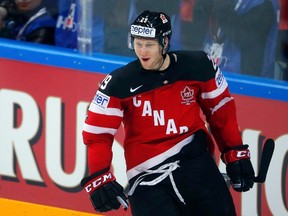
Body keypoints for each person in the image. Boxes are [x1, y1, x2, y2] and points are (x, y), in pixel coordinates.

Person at [80, 10, 255, 216]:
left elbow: (220, 111)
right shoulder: (118, 83)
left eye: (149, 45)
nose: (142, 51)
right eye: (138, 43)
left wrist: (234, 152)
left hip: (196, 164)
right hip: (147, 177)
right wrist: (100, 176)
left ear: (164, 42)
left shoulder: (198, 66)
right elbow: (98, 134)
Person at [202, 0, 279, 78]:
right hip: (211, 72)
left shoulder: (264, 4)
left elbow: (243, 35)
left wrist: (223, 6)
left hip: (244, 81)